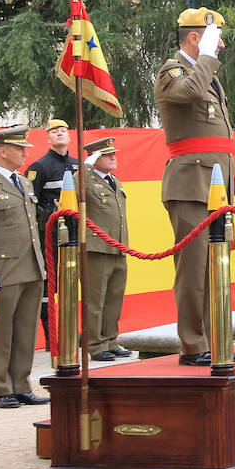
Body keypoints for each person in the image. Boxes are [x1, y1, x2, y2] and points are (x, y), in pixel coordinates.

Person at [155, 8, 235, 367]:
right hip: (190, 184)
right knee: (194, 270)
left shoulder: (207, 75)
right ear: (195, 38)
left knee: (216, 266)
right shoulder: (173, 71)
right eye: (215, 38)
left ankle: (217, 337)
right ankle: (194, 344)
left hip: (215, 186)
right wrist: (207, 55)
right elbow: (191, 92)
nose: (221, 45)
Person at [0, 125, 48, 407]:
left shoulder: (23, 182)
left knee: (25, 329)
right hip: (4, 268)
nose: (25, 153)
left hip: (31, 265)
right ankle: (2, 387)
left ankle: (22, 383)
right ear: (2, 151)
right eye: (19, 148)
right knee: (3, 331)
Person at [82, 137, 133, 362]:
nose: (113, 157)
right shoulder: (83, 179)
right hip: (96, 248)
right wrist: (86, 165)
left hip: (118, 246)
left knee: (114, 298)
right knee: (95, 299)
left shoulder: (114, 180)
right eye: (106, 154)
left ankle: (111, 340)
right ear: (93, 158)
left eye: (114, 153)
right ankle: (95, 344)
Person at [26, 118, 76, 346]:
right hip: (50, 235)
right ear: (47, 137)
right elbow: (30, 204)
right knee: (50, 285)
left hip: (75, 234)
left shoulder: (77, 165)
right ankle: (51, 335)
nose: (59, 134)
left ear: (69, 135)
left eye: (63, 130)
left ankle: (70, 331)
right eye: (54, 131)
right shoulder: (39, 167)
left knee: (71, 282)